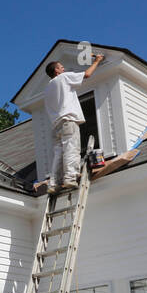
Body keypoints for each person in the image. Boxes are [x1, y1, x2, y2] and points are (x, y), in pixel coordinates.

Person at [44, 53, 105, 193]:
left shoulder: (47, 88)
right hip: (68, 121)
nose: (64, 69)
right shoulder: (63, 78)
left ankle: (53, 184)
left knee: (59, 154)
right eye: (61, 67)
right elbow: (87, 74)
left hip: (56, 126)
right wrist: (97, 61)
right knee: (71, 149)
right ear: (56, 71)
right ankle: (70, 177)